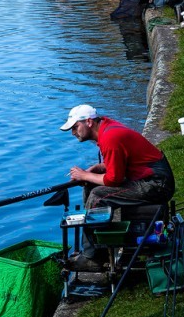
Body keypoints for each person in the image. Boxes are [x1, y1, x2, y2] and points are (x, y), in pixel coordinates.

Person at [61, 105, 175, 271]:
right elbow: (120, 162)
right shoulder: (107, 127)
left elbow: (114, 179)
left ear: (89, 122)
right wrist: (100, 168)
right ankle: (99, 245)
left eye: (75, 127)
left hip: (157, 184)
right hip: (148, 178)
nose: (73, 132)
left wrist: (84, 175)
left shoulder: (110, 137)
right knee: (91, 185)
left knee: (98, 196)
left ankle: (93, 257)